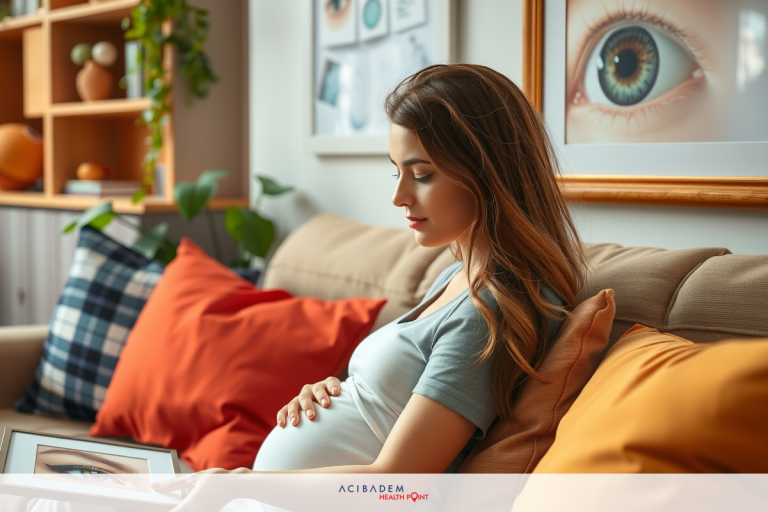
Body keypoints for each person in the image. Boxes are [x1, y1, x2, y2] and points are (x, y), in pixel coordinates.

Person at [150, 63, 588, 510]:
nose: (399, 196)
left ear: (489, 172)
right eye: (396, 170)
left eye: (421, 174)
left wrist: (242, 482)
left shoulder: (490, 313)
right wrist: (334, 390)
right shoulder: (455, 275)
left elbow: (398, 482)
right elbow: (386, 407)